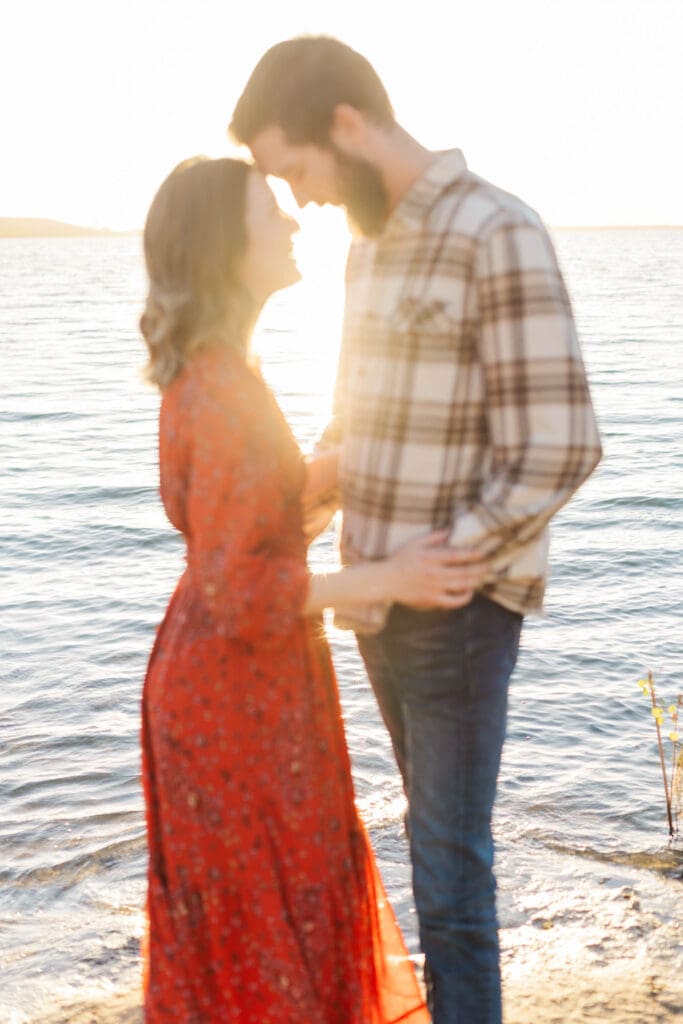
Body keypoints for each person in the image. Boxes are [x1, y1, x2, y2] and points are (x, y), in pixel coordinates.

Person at [230, 36, 603, 1024]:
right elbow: (355, 418)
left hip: (456, 606)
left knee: (447, 874)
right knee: (428, 853)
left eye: (296, 169)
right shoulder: (366, 245)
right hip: (380, 605)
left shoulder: (495, 229)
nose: (299, 198)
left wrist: (441, 558)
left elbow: (559, 444)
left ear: (345, 126)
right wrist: (290, 508)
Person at [139, 155, 488, 1024]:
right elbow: (238, 588)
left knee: (287, 898)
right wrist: (389, 576)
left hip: (252, 689)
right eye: (271, 210)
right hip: (231, 698)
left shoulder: (226, 368)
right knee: (267, 912)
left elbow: (261, 505)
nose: (295, 221)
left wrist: (378, 453)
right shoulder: (218, 388)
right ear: (227, 245)